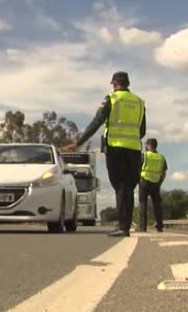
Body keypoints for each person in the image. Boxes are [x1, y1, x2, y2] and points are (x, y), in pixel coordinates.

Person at [62, 71, 146, 237]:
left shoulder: (111, 99)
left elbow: (96, 122)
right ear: (127, 84)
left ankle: (123, 227)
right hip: (135, 149)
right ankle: (125, 225)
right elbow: (142, 131)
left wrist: (78, 143)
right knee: (128, 187)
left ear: (114, 84)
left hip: (115, 149)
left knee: (120, 187)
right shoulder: (139, 102)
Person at [137, 138, 167, 232]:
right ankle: (160, 226)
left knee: (143, 204)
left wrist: (138, 180)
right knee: (157, 205)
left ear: (148, 145)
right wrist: (159, 182)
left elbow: (137, 169)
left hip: (144, 182)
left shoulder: (144, 156)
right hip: (156, 183)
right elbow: (164, 172)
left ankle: (143, 227)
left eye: (146, 145)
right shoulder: (161, 157)